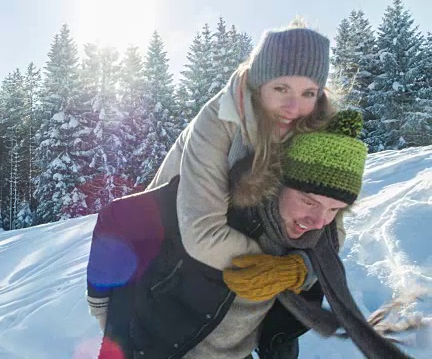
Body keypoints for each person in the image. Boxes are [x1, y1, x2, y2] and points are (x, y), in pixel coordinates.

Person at [86, 110, 412, 358]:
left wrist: (298, 270)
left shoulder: (317, 228)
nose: (317, 221)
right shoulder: (213, 201)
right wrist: (109, 327)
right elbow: (117, 220)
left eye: (334, 208)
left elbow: (329, 242)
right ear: (276, 181)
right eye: (308, 201)